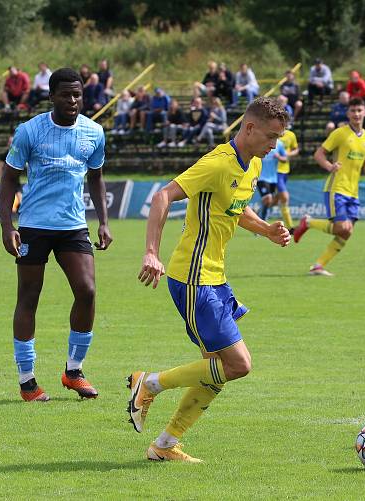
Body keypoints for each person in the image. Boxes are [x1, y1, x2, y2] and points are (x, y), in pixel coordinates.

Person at [127, 96, 291, 463]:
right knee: (239, 365)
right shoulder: (216, 163)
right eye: (270, 136)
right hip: (192, 279)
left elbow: (236, 208)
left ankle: (164, 445)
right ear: (248, 128)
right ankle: (148, 383)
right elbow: (162, 196)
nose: (274, 144)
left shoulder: (253, 165)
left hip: (215, 278)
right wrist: (151, 251)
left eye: (278, 137)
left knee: (215, 372)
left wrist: (265, 229)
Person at [0, 68, 112, 402]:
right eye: (66, 94)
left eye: (78, 94)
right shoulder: (30, 131)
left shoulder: (94, 132)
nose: (73, 100)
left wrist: (104, 221)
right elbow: (9, 179)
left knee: (87, 291)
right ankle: (27, 381)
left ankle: (73, 371)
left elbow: (96, 177)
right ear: (52, 96)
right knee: (29, 296)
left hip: (73, 225)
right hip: (34, 225)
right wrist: (7, 226)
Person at [292, 98, 365, 276]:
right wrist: (330, 166)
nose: (356, 114)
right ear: (348, 113)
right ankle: (308, 222)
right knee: (341, 228)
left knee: (347, 232)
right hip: (336, 188)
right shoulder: (340, 133)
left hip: (353, 192)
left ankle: (318, 266)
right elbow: (319, 154)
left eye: (359, 110)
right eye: (353, 110)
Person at [274, 126, 299, 229]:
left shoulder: (291, 135)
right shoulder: (272, 133)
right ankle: (290, 227)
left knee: (274, 200)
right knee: (285, 197)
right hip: (274, 171)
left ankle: (256, 213)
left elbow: (296, 150)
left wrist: (287, 154)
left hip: (285, 170)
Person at [257, 138, 287, 221]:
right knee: (268, 198)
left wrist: (279, 157)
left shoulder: (280, 144)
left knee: (270, 201)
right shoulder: (261, 141)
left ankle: (258, 214)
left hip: (273, 178)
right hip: (261, 177)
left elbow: (285, 159)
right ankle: (262, 221)